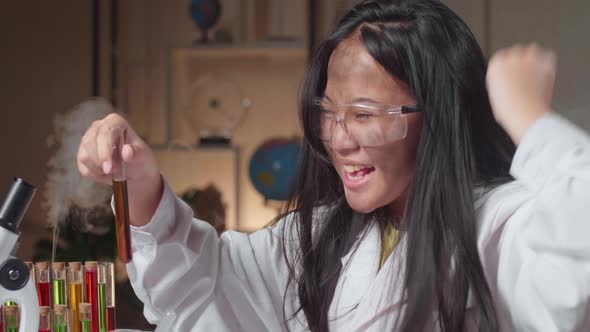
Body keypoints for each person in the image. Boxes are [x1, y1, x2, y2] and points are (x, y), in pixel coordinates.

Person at [77, 0, 590, 331]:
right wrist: (140, 183)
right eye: (329, 113)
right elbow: (205, 290)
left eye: (364, 115)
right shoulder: (323, 235)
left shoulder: (500, 227)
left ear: (441, 117)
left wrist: (527, 115)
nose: (339, 139)